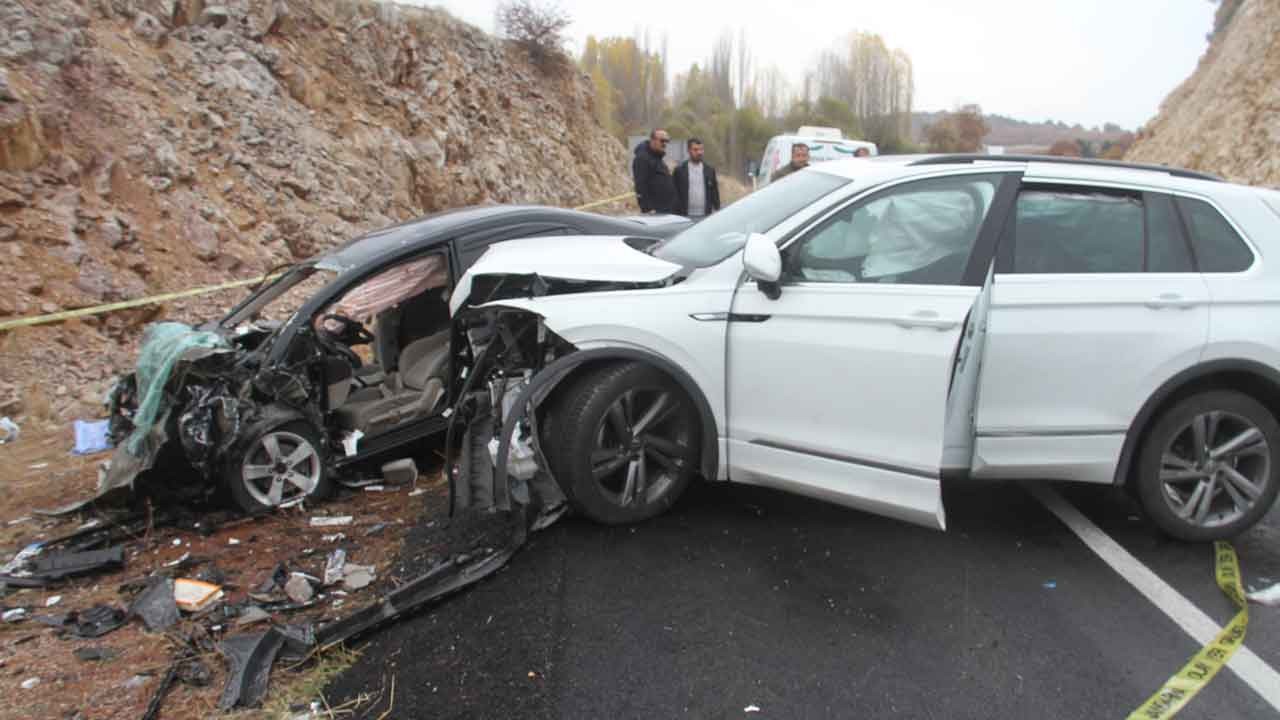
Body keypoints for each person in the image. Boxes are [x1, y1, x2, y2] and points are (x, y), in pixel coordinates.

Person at [673, 138, 721, 219]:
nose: (699, 152)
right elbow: (674, 193)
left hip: (705, 216)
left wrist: (717, 209)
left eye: (701, 149)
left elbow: (714, 192)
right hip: (684, 216)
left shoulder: (709, 170)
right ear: (688, 150)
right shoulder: (679, 170)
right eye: (695, 149)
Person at [632, 129, 676, 214]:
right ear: (652, 140)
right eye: (662, 141)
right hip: (655, 211)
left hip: (665, 209)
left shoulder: (657, 157)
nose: (665, 144)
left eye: (667, 141)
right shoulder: (642, 158)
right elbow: (640, 186)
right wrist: (647, 209)